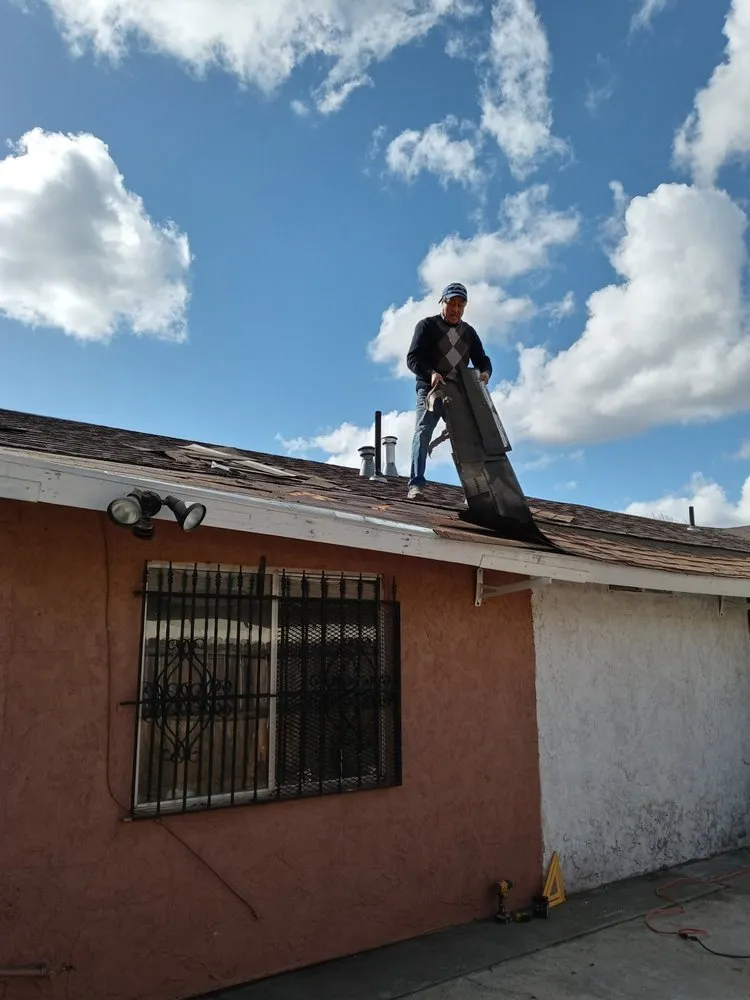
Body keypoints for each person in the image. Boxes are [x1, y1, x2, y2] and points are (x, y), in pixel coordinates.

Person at [405, 282, 492, 500]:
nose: (455, 310)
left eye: (460, 306)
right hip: (431, 388)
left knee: (467, 436)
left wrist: (484, 372)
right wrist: (431, 373)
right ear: (442, 302)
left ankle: (475, 491)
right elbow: (413, 358)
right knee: (423, 430)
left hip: (457, 392)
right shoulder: (427, 326)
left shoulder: (468, 333)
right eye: (451, 303)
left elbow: (482, 359)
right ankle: (416, 484)